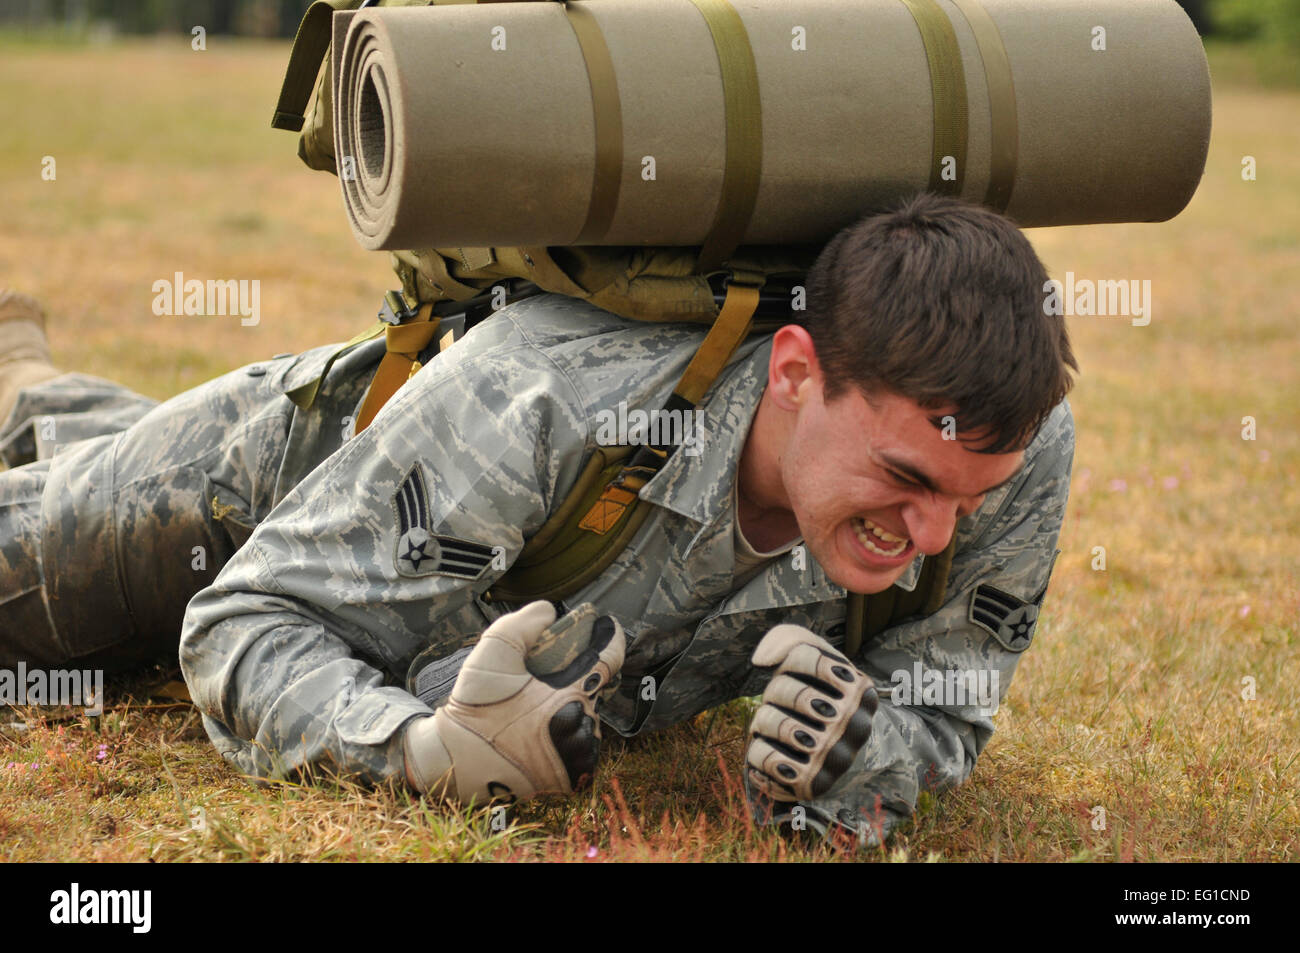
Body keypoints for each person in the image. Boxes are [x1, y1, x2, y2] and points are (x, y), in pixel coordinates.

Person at [0, 192, 1077, 845]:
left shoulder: (1006, 450)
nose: (934, 534)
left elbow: (942, 713)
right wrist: (417, 750)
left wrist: (862, 759)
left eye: (963, 500)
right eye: (903, 480)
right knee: (37, 577)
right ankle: (31, 395)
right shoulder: (549, 396)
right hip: (277, 476)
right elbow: (246, 618)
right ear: (796, 373)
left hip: (417, 502)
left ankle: (37, 388)